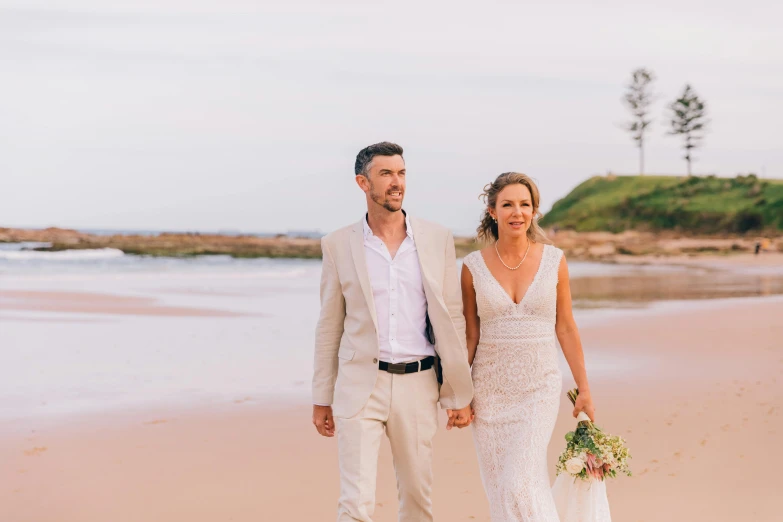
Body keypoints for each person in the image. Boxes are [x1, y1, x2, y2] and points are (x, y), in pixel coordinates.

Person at [312, 142, 474, 521]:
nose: (396, 182)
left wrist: (457, 392)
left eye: (401, 173)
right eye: (385, 174)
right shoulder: (338, 244)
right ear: (362, 182)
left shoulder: (436, 238)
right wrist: (322, 396)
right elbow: (329, 325)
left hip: (417, 384)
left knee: (418, 500)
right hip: (358, 385)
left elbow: (452, 319)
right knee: (355, 503)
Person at [461, 172, 595, 521]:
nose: (516, 212)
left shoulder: (554, 261)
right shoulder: (472, 268)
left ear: (535, 211)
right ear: (492, 211)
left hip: (539, 388)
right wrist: (458, 394)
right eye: (507, 204)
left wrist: (584, 387)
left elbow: (565, 327)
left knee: (519, 481)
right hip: (489, 393)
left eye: (525, 204)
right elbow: (470, 336)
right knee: (502, 492)